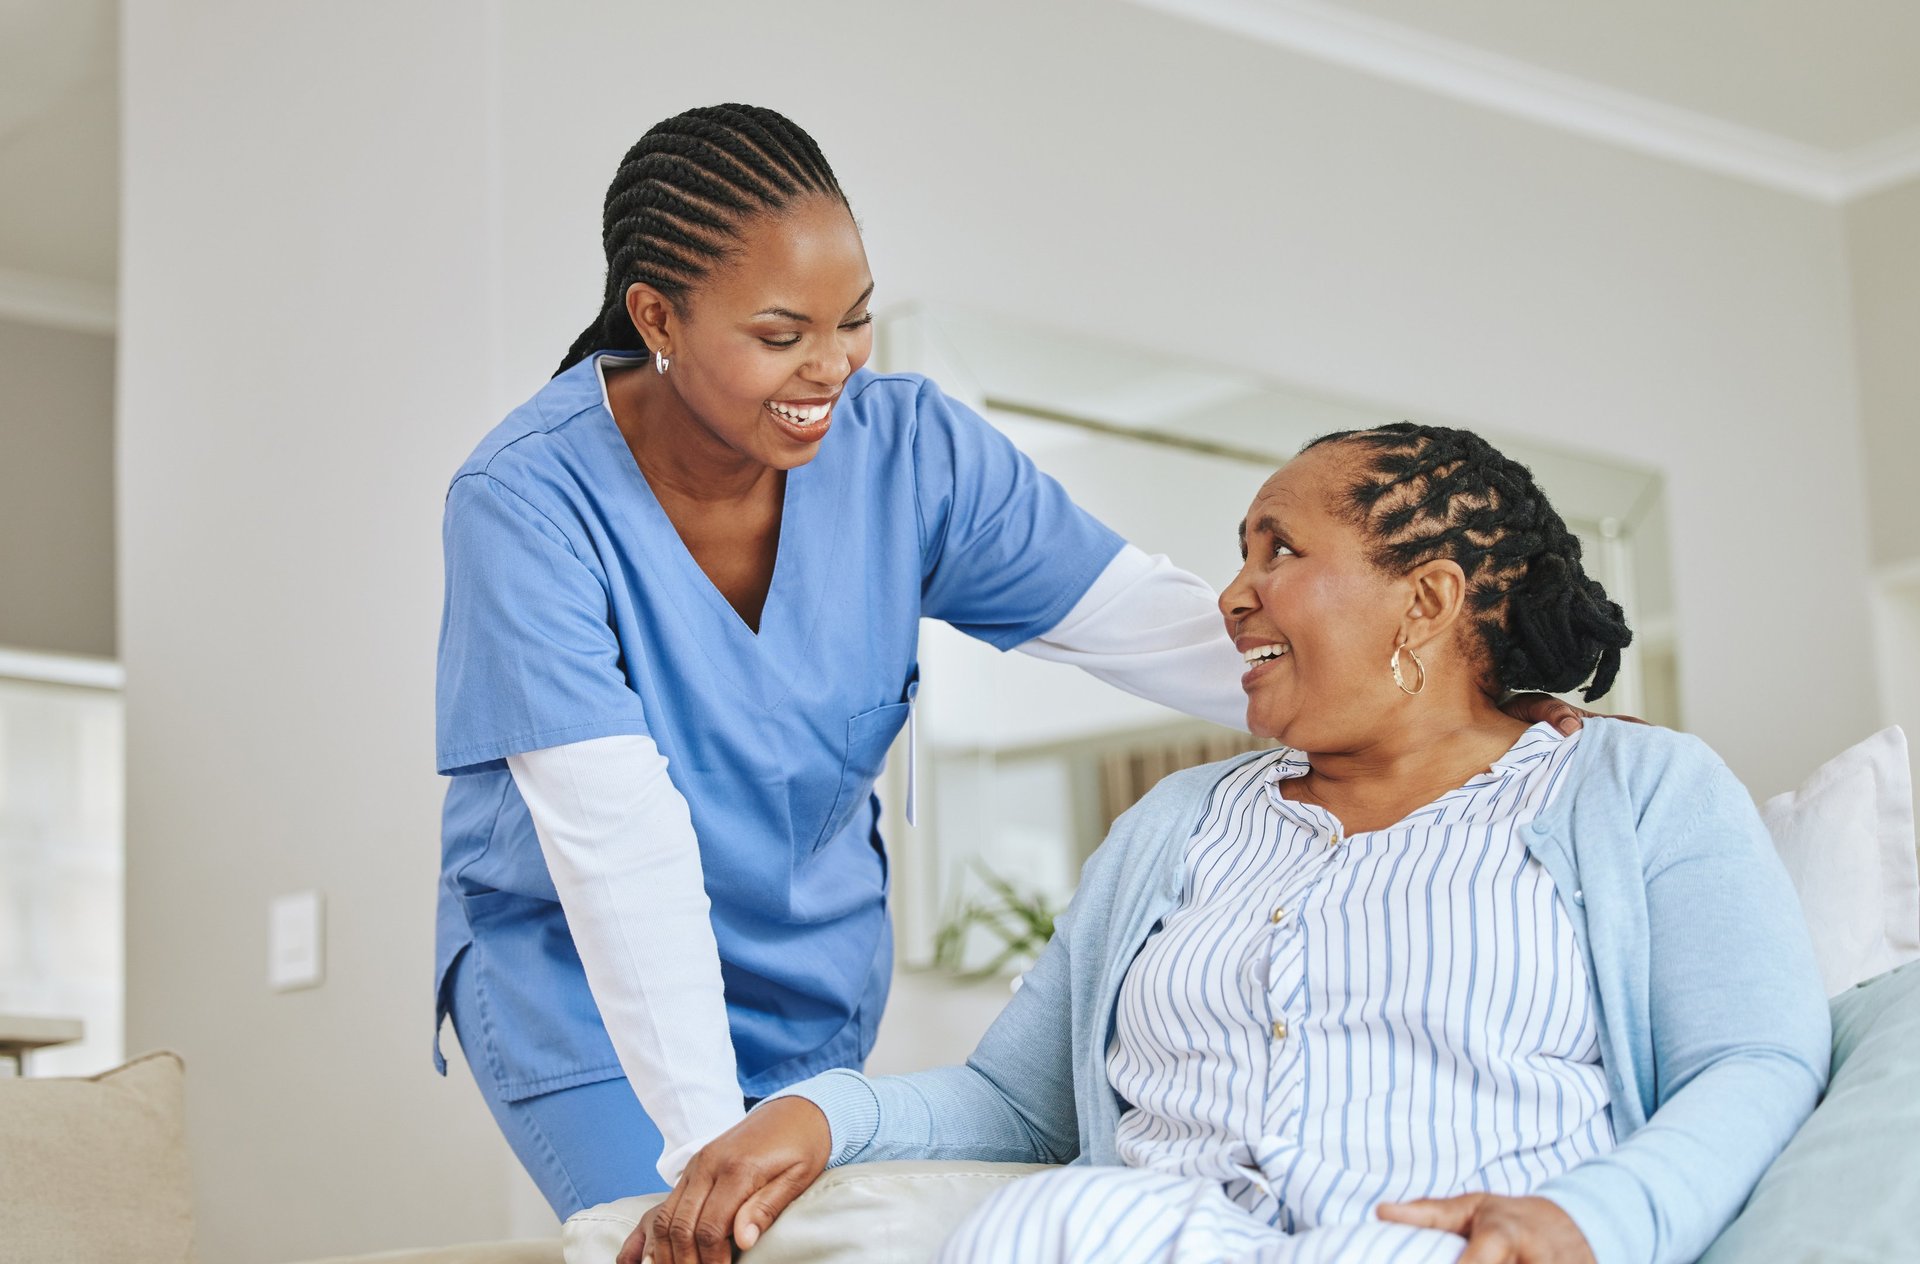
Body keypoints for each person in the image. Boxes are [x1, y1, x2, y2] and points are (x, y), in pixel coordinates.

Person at [434, 103, 1588, 1219]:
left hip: (813, 984)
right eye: (783, 335)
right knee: (700, 1231)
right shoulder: (528, 502)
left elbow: (1142, 620)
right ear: (658, 317)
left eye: (855, 321)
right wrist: (702, 1153)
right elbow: (615, 845)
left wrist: (1458, 704)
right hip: (584, 983)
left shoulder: (908, 450)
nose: (833, 366)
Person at [636, 423, 1830, 1264]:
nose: (1232, 593)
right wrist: (824, 1115)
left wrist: (1597, 1223)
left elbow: (1756, 1060)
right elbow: (1023, 1095)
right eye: (1241, 554)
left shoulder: (1635, 788)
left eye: (1280, 551)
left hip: (1432, 1241)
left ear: (1427, 600)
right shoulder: (1177, 824)